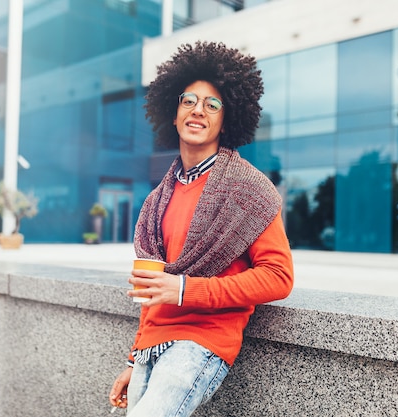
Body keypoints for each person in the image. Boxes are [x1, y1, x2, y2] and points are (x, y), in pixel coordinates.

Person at [109, 41, 294, 417]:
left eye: (212, 104)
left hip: (202, 341)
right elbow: (151, 293)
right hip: (153, 345)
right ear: (172, 114)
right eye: (188, 100)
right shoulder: (156, 200)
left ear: (227, 120)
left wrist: (185, 289)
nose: (198, 110)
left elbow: (279, 277)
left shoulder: (250, 191)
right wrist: (133, 360)